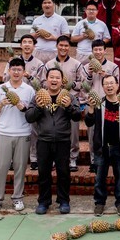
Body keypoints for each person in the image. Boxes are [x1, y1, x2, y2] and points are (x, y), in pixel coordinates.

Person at [26, 67, 81, 214]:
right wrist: (38, 107)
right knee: (43, 173)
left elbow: (77, 116)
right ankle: (44, 202)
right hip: (43, 140)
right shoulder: (39, 95)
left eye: (57, 77)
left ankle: (63, 201)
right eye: (52, 77)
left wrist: (69, 106)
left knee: (63, 172)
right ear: (46, 79)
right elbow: (29, 117)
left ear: (62, 81)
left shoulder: (68, 96)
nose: (54, 80)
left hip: (63, 140)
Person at [85, 74, 120, 217]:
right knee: (99, 178)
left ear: (117, 85)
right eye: (106, 84)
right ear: (102, 87)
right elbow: (89, 123)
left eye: (111, 83)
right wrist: (90, 108)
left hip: (119, 147)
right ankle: (99, 203)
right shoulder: (98, 104)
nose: (109, 86)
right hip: (102, 148)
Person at [0, 58, 35, 212]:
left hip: (23, 133)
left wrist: (23, 107)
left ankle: (18, 198)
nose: (16, 72)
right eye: (13, 69)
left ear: (23, 72)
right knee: (0, 167)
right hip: (3, 133)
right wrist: (1, 104)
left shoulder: (29, 90)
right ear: (9, 71)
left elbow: (32, 114)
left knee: (20, 167)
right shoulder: (1, 88)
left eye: (19, 69)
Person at [41, 36, 83, 172]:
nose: (63, 48)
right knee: (54, 128)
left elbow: (82, 83)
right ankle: (53, 158)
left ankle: (72, 157)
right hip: (52, 101)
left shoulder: (76, 64)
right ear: (57, 46)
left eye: (66, 46)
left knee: (73, 131)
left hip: (70, 100)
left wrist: (71, 84)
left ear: (69, 47)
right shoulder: (49, 64)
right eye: (61, 45)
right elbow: (42, 81)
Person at [2, 34, 43, 171]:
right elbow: (4, 79)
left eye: (29, 42)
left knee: (34, 130)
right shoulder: (12, 62)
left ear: (34, 45)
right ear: (20, 45)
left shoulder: (39, 63)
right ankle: (14, 159)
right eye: (24, 42)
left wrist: (29, 76)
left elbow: (42, 84)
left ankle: (34, 158)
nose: (26, 45)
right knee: (15, 129)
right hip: (15, 99)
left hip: (32, 99)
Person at [80, 39, 119, 173]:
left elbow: (116, 85)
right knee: (92, 135)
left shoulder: (113, 66)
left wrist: (106, 75)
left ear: (105, 51)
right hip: (92, 103)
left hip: (108, 105)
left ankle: (109, 160)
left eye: (100, 49)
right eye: (95, 50)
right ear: (92, 51)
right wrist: (90, 74)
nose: (98, 52)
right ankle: (94, 161)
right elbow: (84, 88)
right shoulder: (85, 67)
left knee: (109, 133)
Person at [31, 0, 70, 64]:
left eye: (49, 3)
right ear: (42, 5)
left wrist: (54, 38)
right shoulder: (37, 20)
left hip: (54, 52)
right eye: (44, 3)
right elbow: (31, 37)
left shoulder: (61, 20)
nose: (47, 5)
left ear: (53, 4)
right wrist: (38, 34)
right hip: (38, 52)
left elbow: (67, 36)